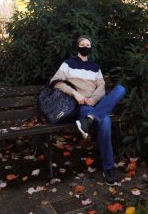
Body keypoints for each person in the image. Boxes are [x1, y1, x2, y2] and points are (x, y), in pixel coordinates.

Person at [50, 35, 126, 185]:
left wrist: (95, 99)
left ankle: (90, 119)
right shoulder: (68, 64)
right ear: (77, 46)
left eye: (88, 44)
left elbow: (102, 87)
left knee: (120, 89)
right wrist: (75, 93)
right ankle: (109, 168)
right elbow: (55, 82)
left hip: (96, 103)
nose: (85, 46)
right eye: (82, 44)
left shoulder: (95, 67)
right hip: (82, 105)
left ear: (91, 48)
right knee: (105, 120)